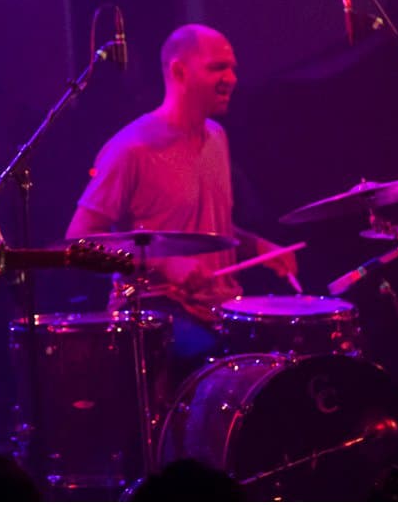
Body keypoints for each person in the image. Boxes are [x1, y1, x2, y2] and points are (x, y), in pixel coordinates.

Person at [66, 23, 298, 380]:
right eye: (218, 68)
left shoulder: (217, 137)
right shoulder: (131, 148)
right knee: (219, 364)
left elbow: (207, 229)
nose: (232, 78)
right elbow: (80, 239)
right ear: (178, 72)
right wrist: (166, 264)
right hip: (153, 311)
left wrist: (257, 247)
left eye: (232, 68)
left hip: (220, 309)